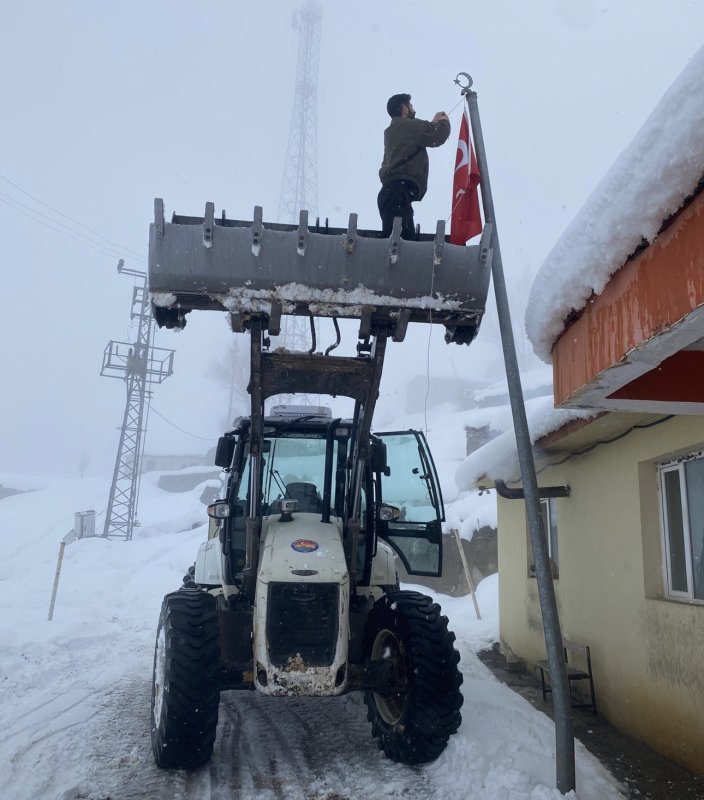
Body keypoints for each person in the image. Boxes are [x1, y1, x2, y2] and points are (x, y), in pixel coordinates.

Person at [378, 93, 451, 239]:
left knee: (399, 244)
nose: (413, 109)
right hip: (398, 191)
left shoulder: (398, 128)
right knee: (398, 246)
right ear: (404, 109)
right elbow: (437, 136)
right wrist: (443, 121)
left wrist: (432, 124)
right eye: (411, 106)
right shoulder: (406, 126)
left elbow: (421, 133)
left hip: (394, 192)